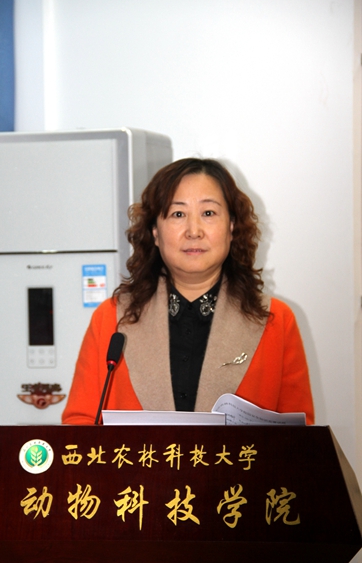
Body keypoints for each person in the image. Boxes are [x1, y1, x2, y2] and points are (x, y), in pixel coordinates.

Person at [62, 158, 314, 425]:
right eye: (178, 214)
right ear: (155, 232)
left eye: (209, 213)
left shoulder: (275, 321)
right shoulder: (112, 318)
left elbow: (301, 437)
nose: (194, 231)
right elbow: (79, 425)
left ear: (231, 227)